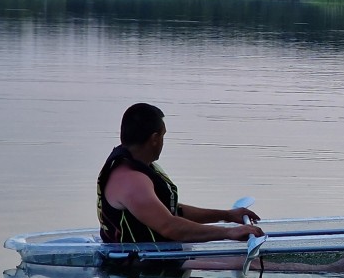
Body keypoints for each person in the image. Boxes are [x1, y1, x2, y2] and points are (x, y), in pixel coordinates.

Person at [97, 103, 263, 245]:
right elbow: (170, 226)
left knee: (239, 260)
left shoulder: (141, 168)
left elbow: (172, 211)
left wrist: (227, 215)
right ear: (155, 138)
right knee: (251, 264)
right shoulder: (130, 180)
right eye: (163, 136)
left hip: (158, 257)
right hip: (138, 267)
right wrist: (229, 233)